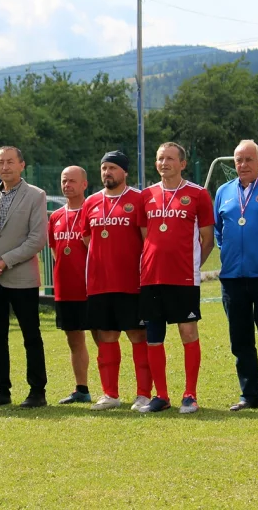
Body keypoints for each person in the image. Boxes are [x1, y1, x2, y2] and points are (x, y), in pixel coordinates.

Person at [138, 143, 214, 414]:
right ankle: (161, 395)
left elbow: (207, 239)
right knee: (153, 336)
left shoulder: (198, 194)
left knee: (187, 331)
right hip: (151, 277)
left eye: (170, 158)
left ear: (182, 164)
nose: (164, 163)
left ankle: (190, 395)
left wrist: (192, 266)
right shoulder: (146, 195)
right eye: (160, 158)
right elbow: (145, 236)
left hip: (183, 278)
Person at [0, 146, 48, 408]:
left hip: (21, 277)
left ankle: (37, 391)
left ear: (22, 165)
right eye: (0, 162)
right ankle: (1, 390)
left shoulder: (36, 195)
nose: (4, 167)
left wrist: (4, 262)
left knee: (31, 335)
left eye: (10, 162)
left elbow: (37, 239)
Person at [214, 139, 258, 412]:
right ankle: (249, 395)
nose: (243, 165)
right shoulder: (223, 191)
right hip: (233, 278)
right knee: (241, 340)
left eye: (248, 160)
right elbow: (219, 229)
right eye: (238, 160)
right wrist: (228, 253)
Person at [82, 151, 152, 412]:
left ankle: (144, 394)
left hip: (132, 283)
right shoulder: (91, 202)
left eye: (112, 168)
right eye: (104, 168)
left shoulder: (138, 199)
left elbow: (147, 239)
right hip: (100, 283)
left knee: (138, 335)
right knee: (106, 336)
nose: (107, 172)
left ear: (124, 172)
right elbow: (87, 238)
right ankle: (110, 394)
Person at [47, 166, 93, 405]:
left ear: (84, 184)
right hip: (66, 290)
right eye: (64, 181)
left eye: (72, 181)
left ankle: (111, 391)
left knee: (103, 337)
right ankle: (81, 389)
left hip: (92, 288)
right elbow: (55, 251)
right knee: (74, 340)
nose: (67, 185)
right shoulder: (55, 216)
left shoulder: (92, 212)